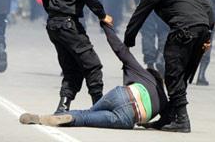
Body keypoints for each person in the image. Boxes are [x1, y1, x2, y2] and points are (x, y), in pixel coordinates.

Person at [19, 18, 168, 129]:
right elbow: (165, 120)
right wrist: (148, 124)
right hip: (129, 117)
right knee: (86, 118)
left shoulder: (144, 75)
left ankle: (45, 117)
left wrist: (106, 26)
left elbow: (120, 50)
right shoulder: (163, 101)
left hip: (122, 95)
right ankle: (60, 119)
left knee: (87, 112)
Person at [125, 0, 214, 133]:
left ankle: (182, 120)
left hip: (184, 30)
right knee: (182, 75)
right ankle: (168, 117)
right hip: (203, 28)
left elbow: (139, 14)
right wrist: (207, 37)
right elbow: (208, 9)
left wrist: (128, 40)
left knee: (173, 75)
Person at [40, 0, 113, 114]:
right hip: (68, 24)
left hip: (54, 25)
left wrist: (51, 11)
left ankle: (63, 106)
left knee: (72, 68)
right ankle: (99, 108)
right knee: (93, 65)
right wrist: (102, 15)